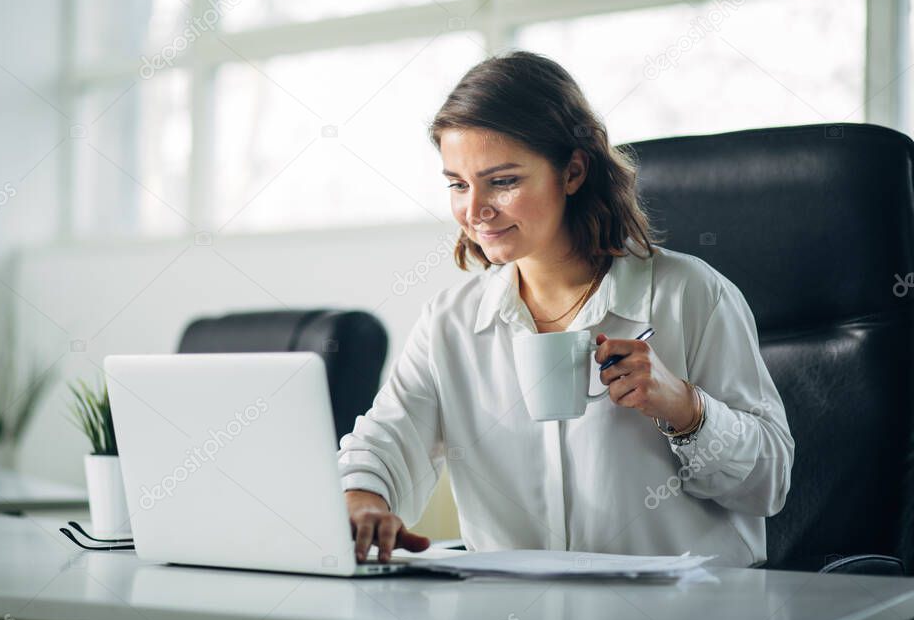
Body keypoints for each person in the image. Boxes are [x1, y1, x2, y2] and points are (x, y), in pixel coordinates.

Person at [337, 50, 795, 567]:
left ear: (573, 172)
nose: (474, 209)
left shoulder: (690, 293)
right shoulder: (451, 321)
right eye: (458, 184)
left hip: (686, 616)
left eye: (503, 181)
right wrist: (363, 499)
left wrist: (687, 410)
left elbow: (770, 483)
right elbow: (383, 443)